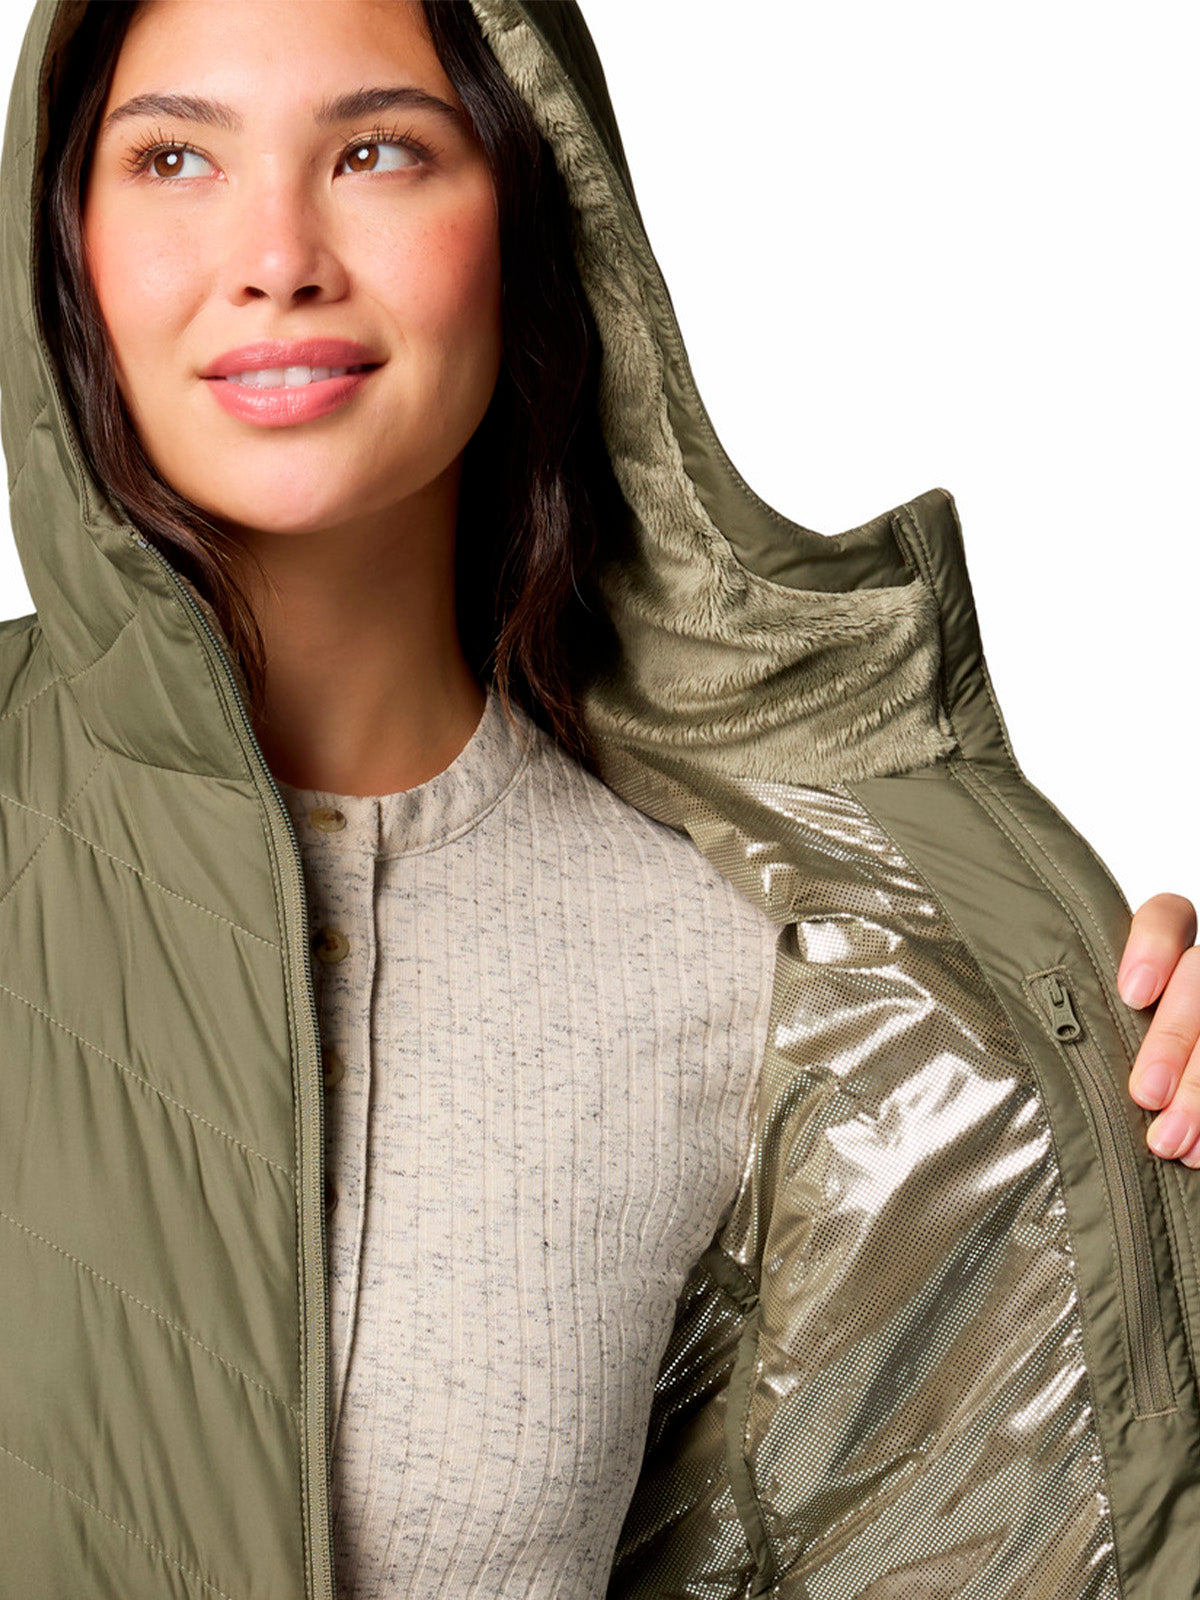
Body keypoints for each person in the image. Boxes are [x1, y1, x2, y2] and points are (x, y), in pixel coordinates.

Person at [0, 1, 1196, 1597]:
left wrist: (1123, 1150)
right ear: (60, 240)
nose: (277, 256)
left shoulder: (743, 960)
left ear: (533, 212)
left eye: (378, 151)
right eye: (172, 159)